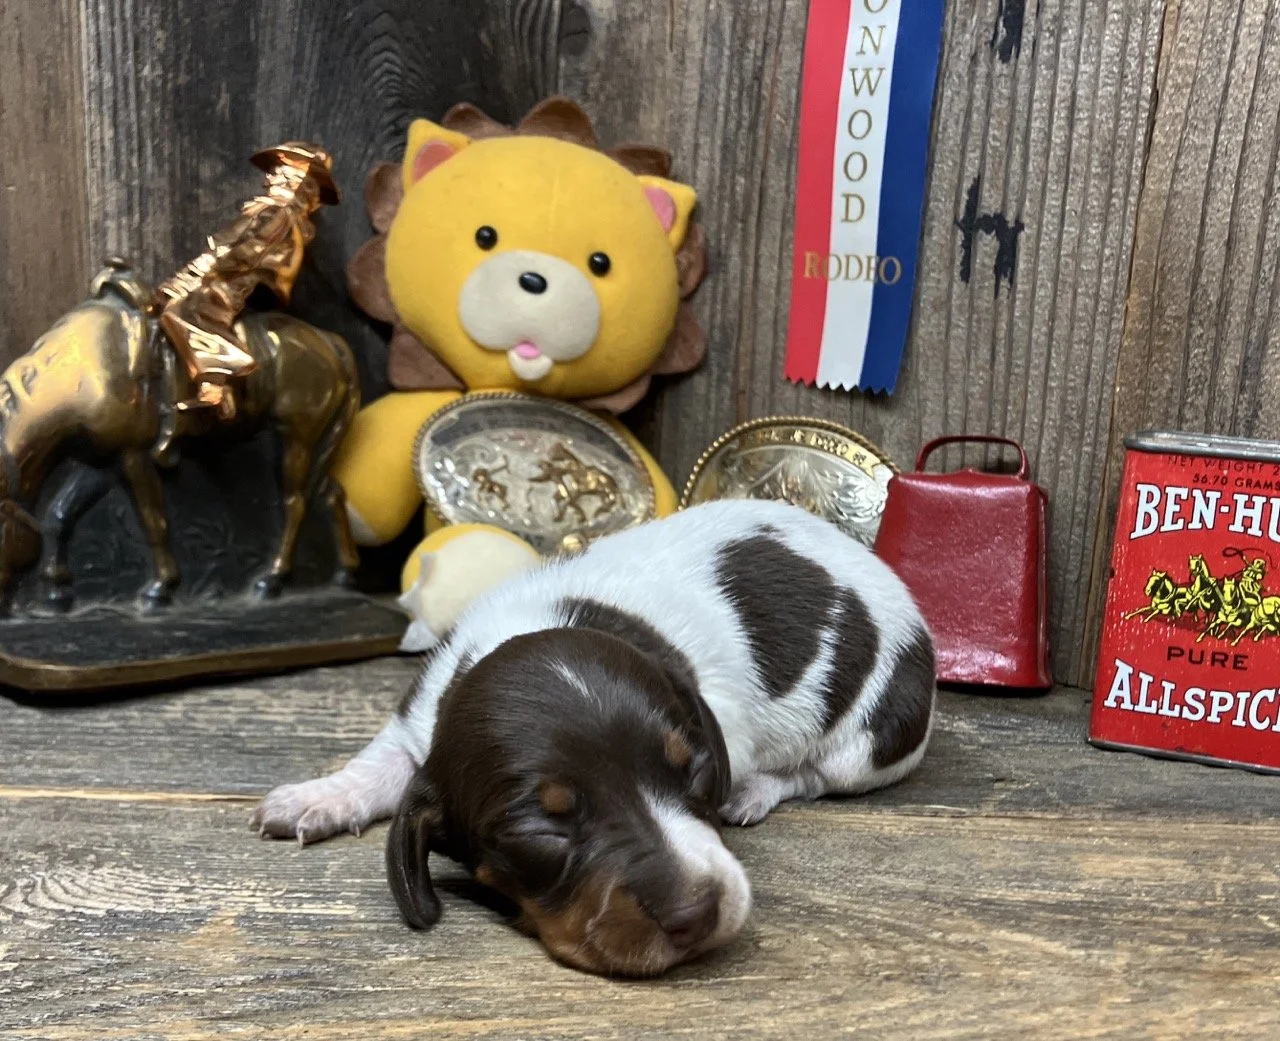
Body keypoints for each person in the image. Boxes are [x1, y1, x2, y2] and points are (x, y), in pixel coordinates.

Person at [152, 143, 340, 455]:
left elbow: (245, 252)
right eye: (275, 172)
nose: (271, 177)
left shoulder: (280, 214)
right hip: (219, 274)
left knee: (183, 311)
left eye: (281, 173)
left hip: (229, 282)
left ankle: (215, 385)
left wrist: (203, 270)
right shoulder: (269, 209)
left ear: (297, 182)